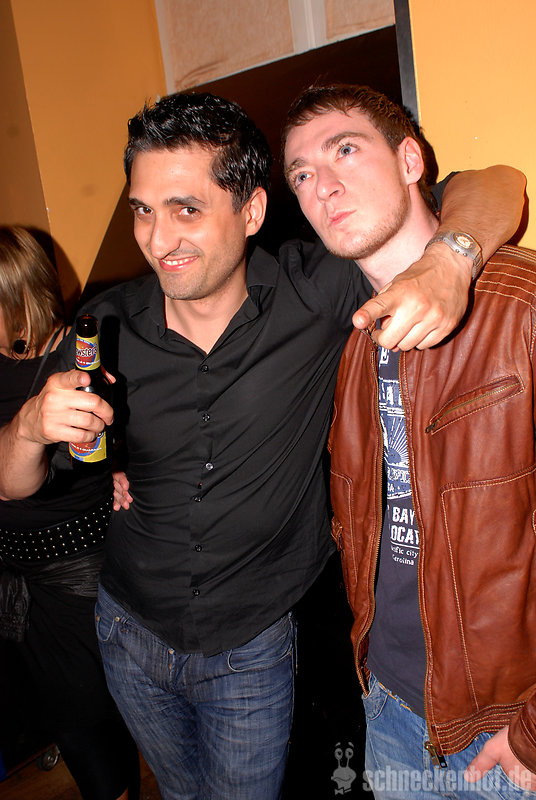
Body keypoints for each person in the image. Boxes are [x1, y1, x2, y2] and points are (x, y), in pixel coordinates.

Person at [0, 93, 525, 800]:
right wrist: (31, 428)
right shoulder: (106, 323)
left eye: (186, 209)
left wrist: (450, 262)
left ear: (251, 212)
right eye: (143, 210)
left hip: (248, 650)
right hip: (128, 630)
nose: (158, 239)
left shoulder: (320, 290)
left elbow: (493, 183)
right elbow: (14, 484)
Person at [282, 82, 536, 799]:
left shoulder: (520, 307)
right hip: (390, 705)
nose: (322, 185)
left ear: (410, 161)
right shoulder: (353, 348)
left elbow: (500, 180)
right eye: (301, 174)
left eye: (344, 150)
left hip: (506, 729)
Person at [0, 226, 139, 800]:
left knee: (94, 715)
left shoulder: (83, 352)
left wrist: (121, 467)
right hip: (16, 578)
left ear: (17, 297)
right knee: (66, 715)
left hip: (80, 577)